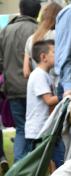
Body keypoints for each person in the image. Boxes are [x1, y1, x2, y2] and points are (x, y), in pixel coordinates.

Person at [0, 0, 41, 162]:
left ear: (20, 10)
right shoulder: (39, 30)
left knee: (21, 129)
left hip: (13, 88)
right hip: (38, 90)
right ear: (37, 12)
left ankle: (19, 169)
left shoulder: (5, 31)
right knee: (39, 130)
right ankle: (34, 168)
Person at [25, 40, 58, 153]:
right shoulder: (39, 75)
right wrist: (68, 95)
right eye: (54, 52)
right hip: (37, 131)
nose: (58, 54)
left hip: (42, 129)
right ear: (43, 57)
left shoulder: (45, 75)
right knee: (38, 167)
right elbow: (48, 100)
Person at [23, 1, 63, 79]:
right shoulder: (59, 35)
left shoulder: (30, 39)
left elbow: (26, 72)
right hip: (59, 85)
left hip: (40, 84)